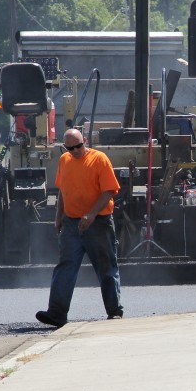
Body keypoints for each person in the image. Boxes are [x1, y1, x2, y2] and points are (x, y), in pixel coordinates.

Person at [36, 129, 122, 327]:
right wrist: (58, 217)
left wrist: (91, 215)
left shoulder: (99, 159)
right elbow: (63, 192)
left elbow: (109, 191)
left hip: (99, 222)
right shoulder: (64, 161)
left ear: (85, 141)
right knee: (65, 266)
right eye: (70, 148)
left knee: (106, 266)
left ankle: (114, 310)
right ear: (64, 147)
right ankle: (57, 313)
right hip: (72, 223)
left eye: (78, 146)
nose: (75, 150)